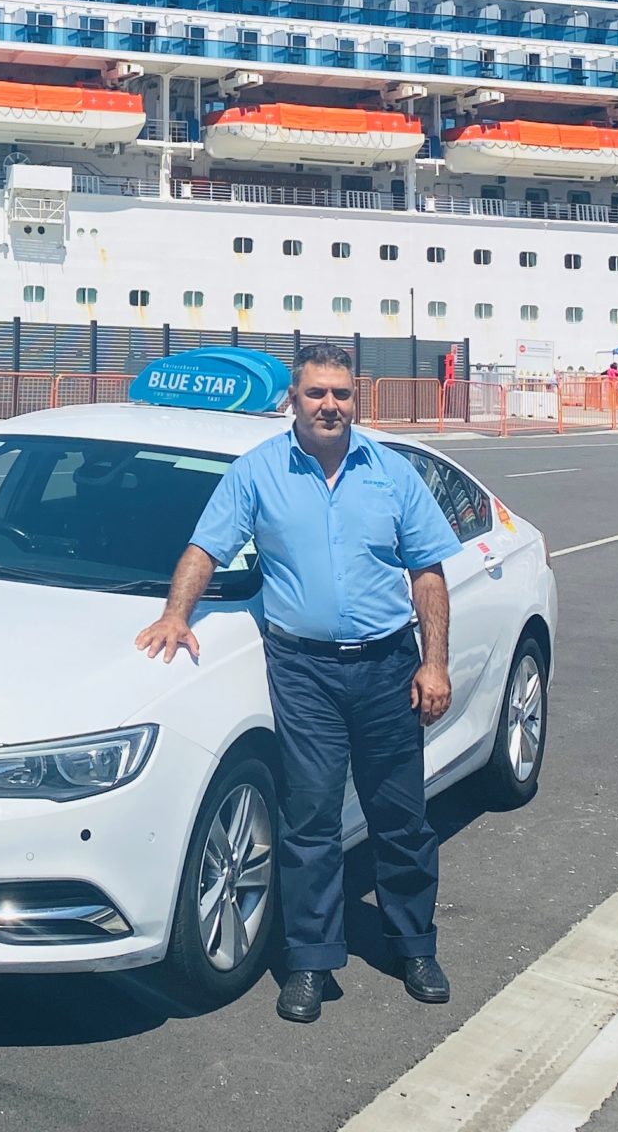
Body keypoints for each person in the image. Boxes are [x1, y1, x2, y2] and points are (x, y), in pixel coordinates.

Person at [135, 343, 460, 1025]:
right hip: (304, 668)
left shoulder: (391, 473)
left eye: (341, 394)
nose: (330, 406)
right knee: (309, 818)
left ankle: (415, 946)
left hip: (386, 665)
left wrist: (433, 663)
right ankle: (311, 963)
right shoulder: (258, 473)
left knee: (399, 814)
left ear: (356, 397)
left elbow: (427, 572)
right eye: (317, 394)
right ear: (294, 398)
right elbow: (206, 547)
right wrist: (175, 615)